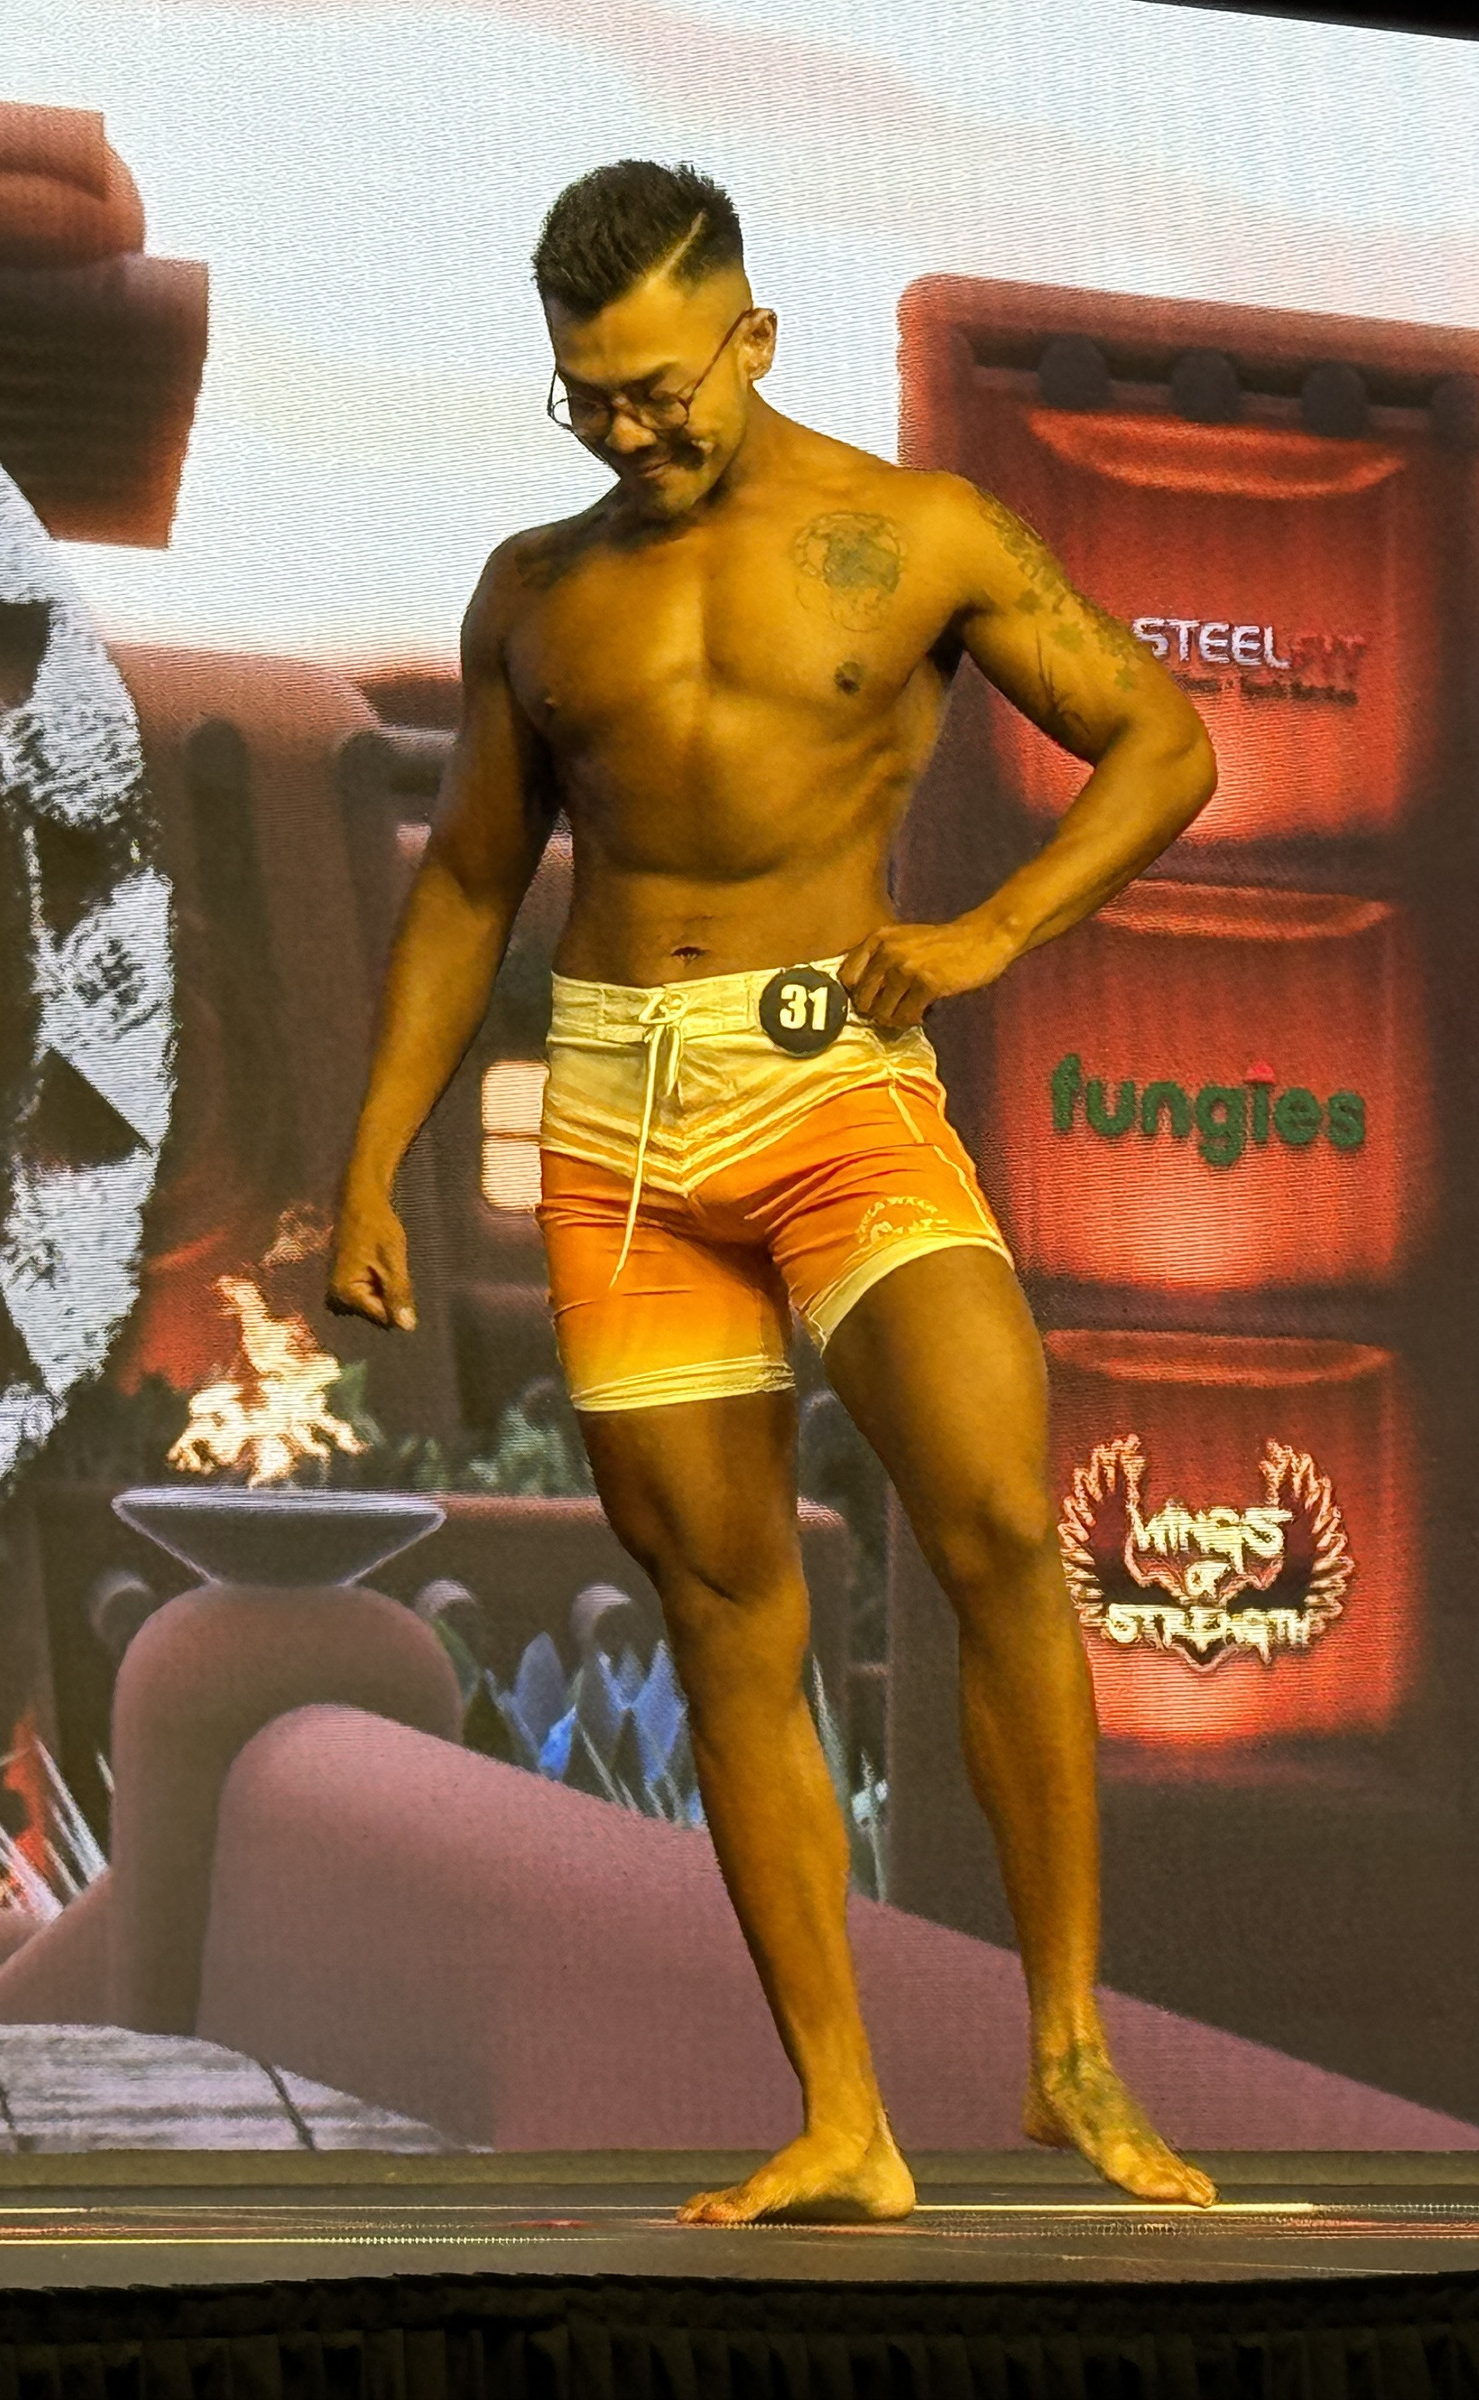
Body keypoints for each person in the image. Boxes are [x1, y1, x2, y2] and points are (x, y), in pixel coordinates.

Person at [327, 162, 1222, 2220]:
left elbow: (1164, 744)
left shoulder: (915, 535)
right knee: (729, 1613)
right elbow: (468, 882)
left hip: (834, 1087)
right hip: (619, 1120)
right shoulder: (535, 591)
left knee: (998, 1520)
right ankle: (843, 2120)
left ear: (752, 338)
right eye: (586, 397)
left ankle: (1069, 2056)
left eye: (659, 389)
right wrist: (367, 1157)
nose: (626, 431)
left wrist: (992, 932)